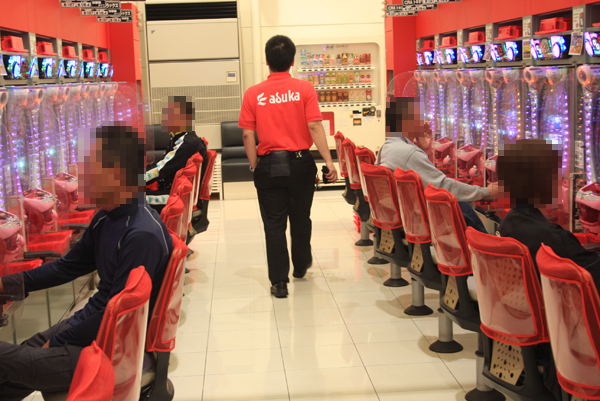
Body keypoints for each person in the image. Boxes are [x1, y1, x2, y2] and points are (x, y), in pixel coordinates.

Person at [0, 123, 173, 400]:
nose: (79, 178)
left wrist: (56, 342)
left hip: (109, 351)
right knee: (14, 363)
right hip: (90, 330)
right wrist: (8, 284)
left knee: (7, 360)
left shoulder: (140, 234)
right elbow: (67, 267)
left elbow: (115, 317)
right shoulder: (107, 217)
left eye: (87, 169)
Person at [496, 139, 600, 401]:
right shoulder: (551, 239)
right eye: (559, 176)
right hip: (569, 334)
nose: (563, 182)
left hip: (542, 328)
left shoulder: (512, 222)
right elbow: (593, 279)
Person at [238, 35, 338, 298]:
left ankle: (279, 282)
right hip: (301, 163)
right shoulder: (304, 89)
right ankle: (301, 265)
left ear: (267, 61)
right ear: (293, 61)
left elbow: (247, 134)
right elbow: (314, 125)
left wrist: (255, 165)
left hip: (269, 165)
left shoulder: (253, 93)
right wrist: (328, 161)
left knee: (274, 224)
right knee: (301, 216)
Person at [377, 96, 497, 233]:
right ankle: (487, 245)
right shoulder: (407, 152)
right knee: (460, 205)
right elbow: (442, 186)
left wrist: (424, 150)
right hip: (415, 220)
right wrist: (486, 192)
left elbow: (426, 179)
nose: (423, 122)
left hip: (403, 216)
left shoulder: (388, 146)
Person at [145, 96, 208, 215]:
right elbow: (161, 164)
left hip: (175, 197)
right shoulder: (182, 138)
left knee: (131, 198)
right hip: (176, 192)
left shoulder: (186, 143)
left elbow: (160, 170)